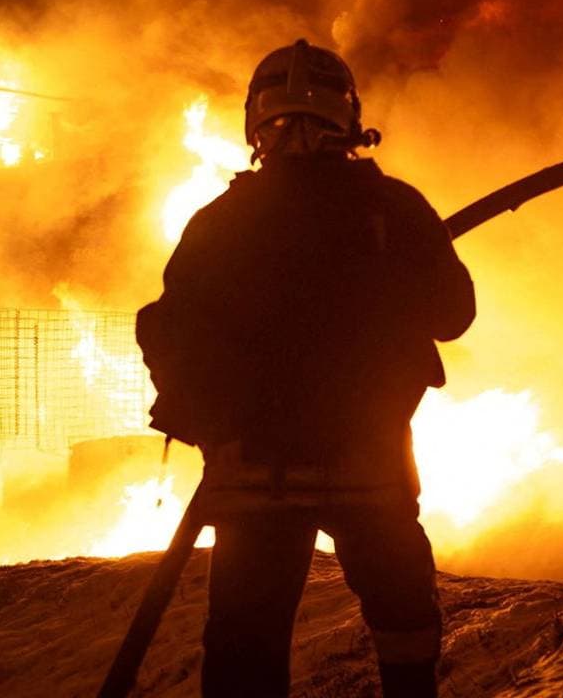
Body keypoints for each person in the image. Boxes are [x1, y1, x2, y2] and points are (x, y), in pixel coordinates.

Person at [136, 40, 474, 698]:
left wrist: (206, 421)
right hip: (368, 462)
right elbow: (453, 314)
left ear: (252, 125)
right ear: (350, 122)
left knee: (245, 643)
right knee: (402, 618)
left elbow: (168, 331)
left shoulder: (221, 222)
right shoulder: (393, 210)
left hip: (254, 472)